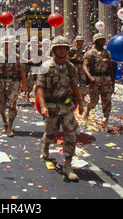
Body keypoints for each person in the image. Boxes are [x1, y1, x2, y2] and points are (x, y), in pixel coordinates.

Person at [36, 36, 83, 181]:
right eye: (59, 48)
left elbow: (75, 86)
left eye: (64, 48)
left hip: (67, 106)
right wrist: (43, 106)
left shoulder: (71, 67)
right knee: (51, 132)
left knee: (70, 133)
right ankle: (46, 143)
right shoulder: (45, 67)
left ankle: (67, 165)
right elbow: (40, 87)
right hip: (51, 107)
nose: (62, 50)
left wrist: (81, 104)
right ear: (54, 50)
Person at [0, 36, 26, 137]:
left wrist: (24, 85)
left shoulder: (16, 57)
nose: (7, 46)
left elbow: (21, 71)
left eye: (8, 44)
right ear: (2, 45)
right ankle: (3, 118)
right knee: (1, 108)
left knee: (12, 105)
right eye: (5, 44)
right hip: (1, 83)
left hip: (13, 83)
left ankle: (10, 126)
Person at [82, 33, 114, 131]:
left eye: (103, 40)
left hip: (106, 79)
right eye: (100, 40)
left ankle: (106, 118)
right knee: (94, 101)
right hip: (95, 79)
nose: (103, 42)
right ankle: (87, 110)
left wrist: (113, 82)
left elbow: (110, 67)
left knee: (107, 100)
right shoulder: (90, 53)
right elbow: (85, 66)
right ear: (95, 41)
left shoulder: (107, 53)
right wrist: (90, 77)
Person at [68, 35, 87, 100]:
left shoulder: (83, 50)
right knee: (74, 81)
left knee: (83, 80)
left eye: (82, 41)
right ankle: (74, 95)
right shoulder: (72, 50)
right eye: (80, 41)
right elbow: (67, 59)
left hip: (81, 66)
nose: (81, 42)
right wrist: (73, 57)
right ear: (77, 41)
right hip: (75, 66)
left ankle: (83, 95)